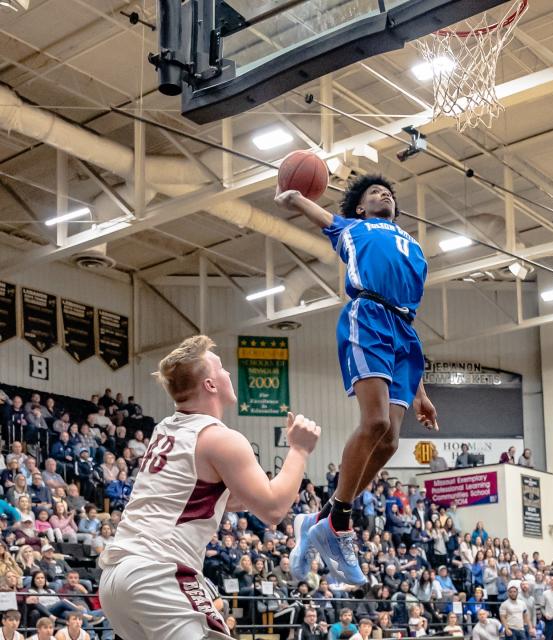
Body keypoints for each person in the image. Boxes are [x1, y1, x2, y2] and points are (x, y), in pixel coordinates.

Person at [97, 335, 321, 640]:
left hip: (116, 576)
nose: (229, 373)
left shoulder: (166, 430)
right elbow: (273, 509)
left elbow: (226, 500)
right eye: (222, 369)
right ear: (211, 385)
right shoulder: (220, 438)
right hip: (157, 572)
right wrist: (299, 450)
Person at [275, 174, 438, 587]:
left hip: (405, 332)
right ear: (361, 208)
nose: (386, 193)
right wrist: (295, 198)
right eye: (374, 193)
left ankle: (318, 519)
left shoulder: (415, 248)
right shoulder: (355, 227)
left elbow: (411, 308)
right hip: (368, 317)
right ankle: (338, 522)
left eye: (390, 192)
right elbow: (324, 217)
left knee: (389, 440)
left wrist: (420, 391)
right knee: (376, 422)